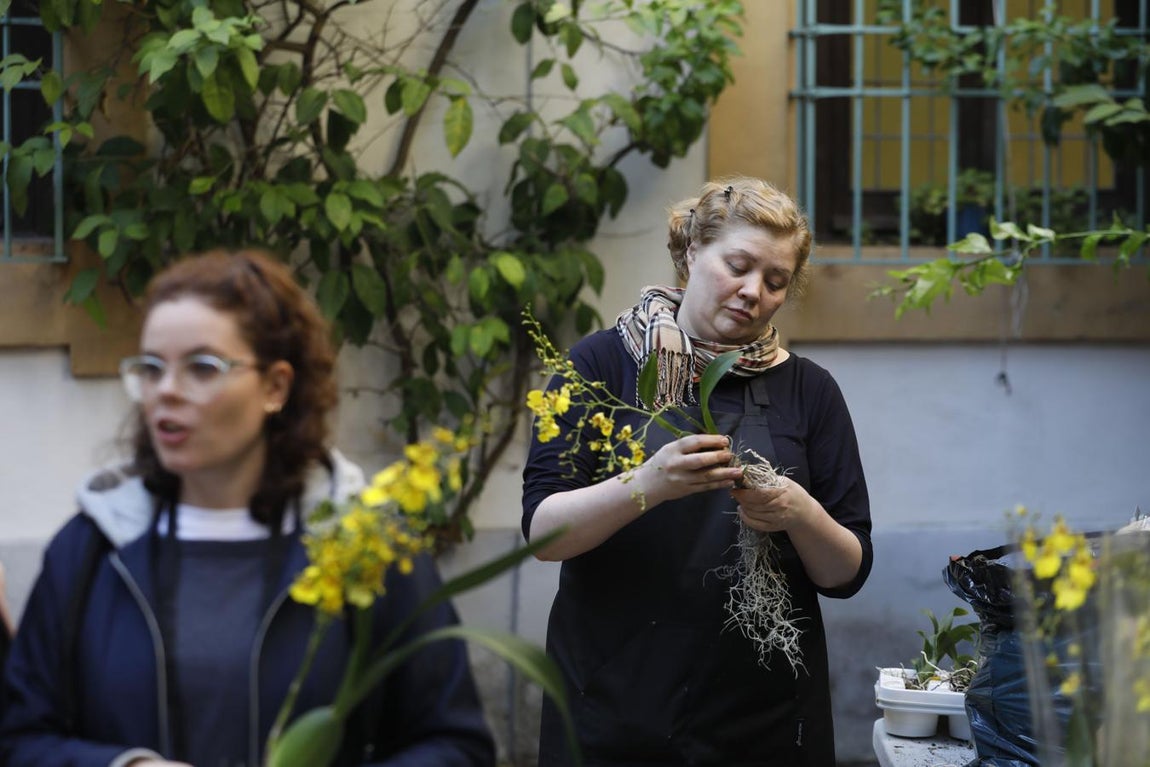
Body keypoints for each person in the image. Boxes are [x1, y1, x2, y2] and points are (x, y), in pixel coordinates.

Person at [0, 249, 496, 767]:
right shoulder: (92, 549)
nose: (166, 391)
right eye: (151, 368)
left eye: (202, 367)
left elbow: (455, 746)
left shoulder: (365, 545)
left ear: (275, 386)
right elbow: (22, 740)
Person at [522, 177, 873, 766]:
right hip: (615, 708)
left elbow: (846, 572)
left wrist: (800, 512)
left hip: (764, 720)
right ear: (691, 253)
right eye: (737, 265)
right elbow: (544, 532)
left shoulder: (809, 390)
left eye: (775, 281)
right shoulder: (600, 364)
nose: (752, 292)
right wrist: (647, 485)